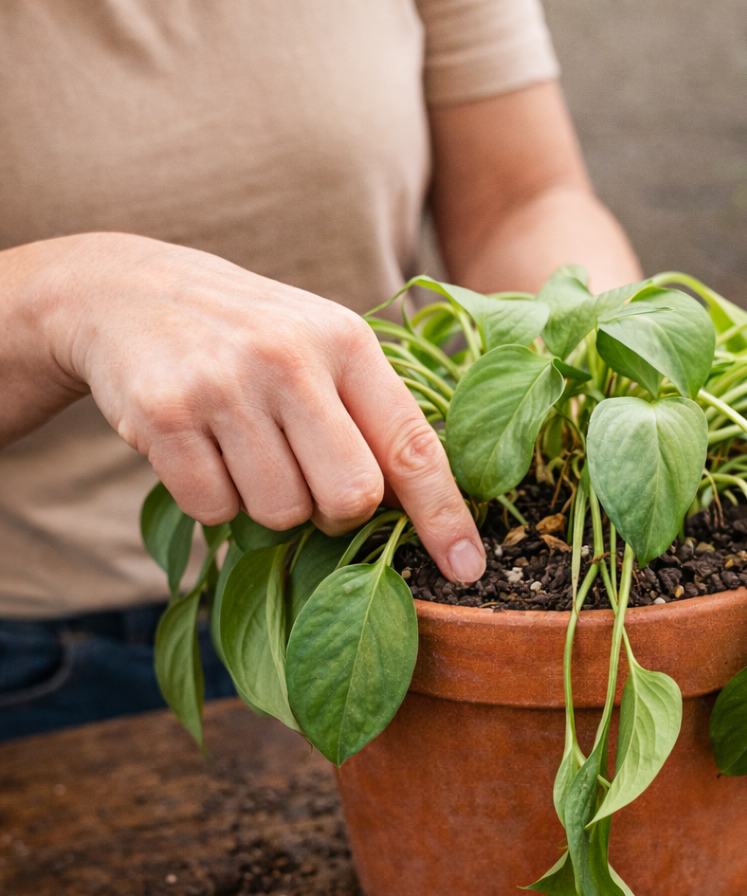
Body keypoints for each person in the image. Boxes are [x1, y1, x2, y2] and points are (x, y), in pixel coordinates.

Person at [0, 0, 641, 740]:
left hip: (394, 582)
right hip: (39, 653)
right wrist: (60, 297)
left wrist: (591, 382)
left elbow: (521, 200)